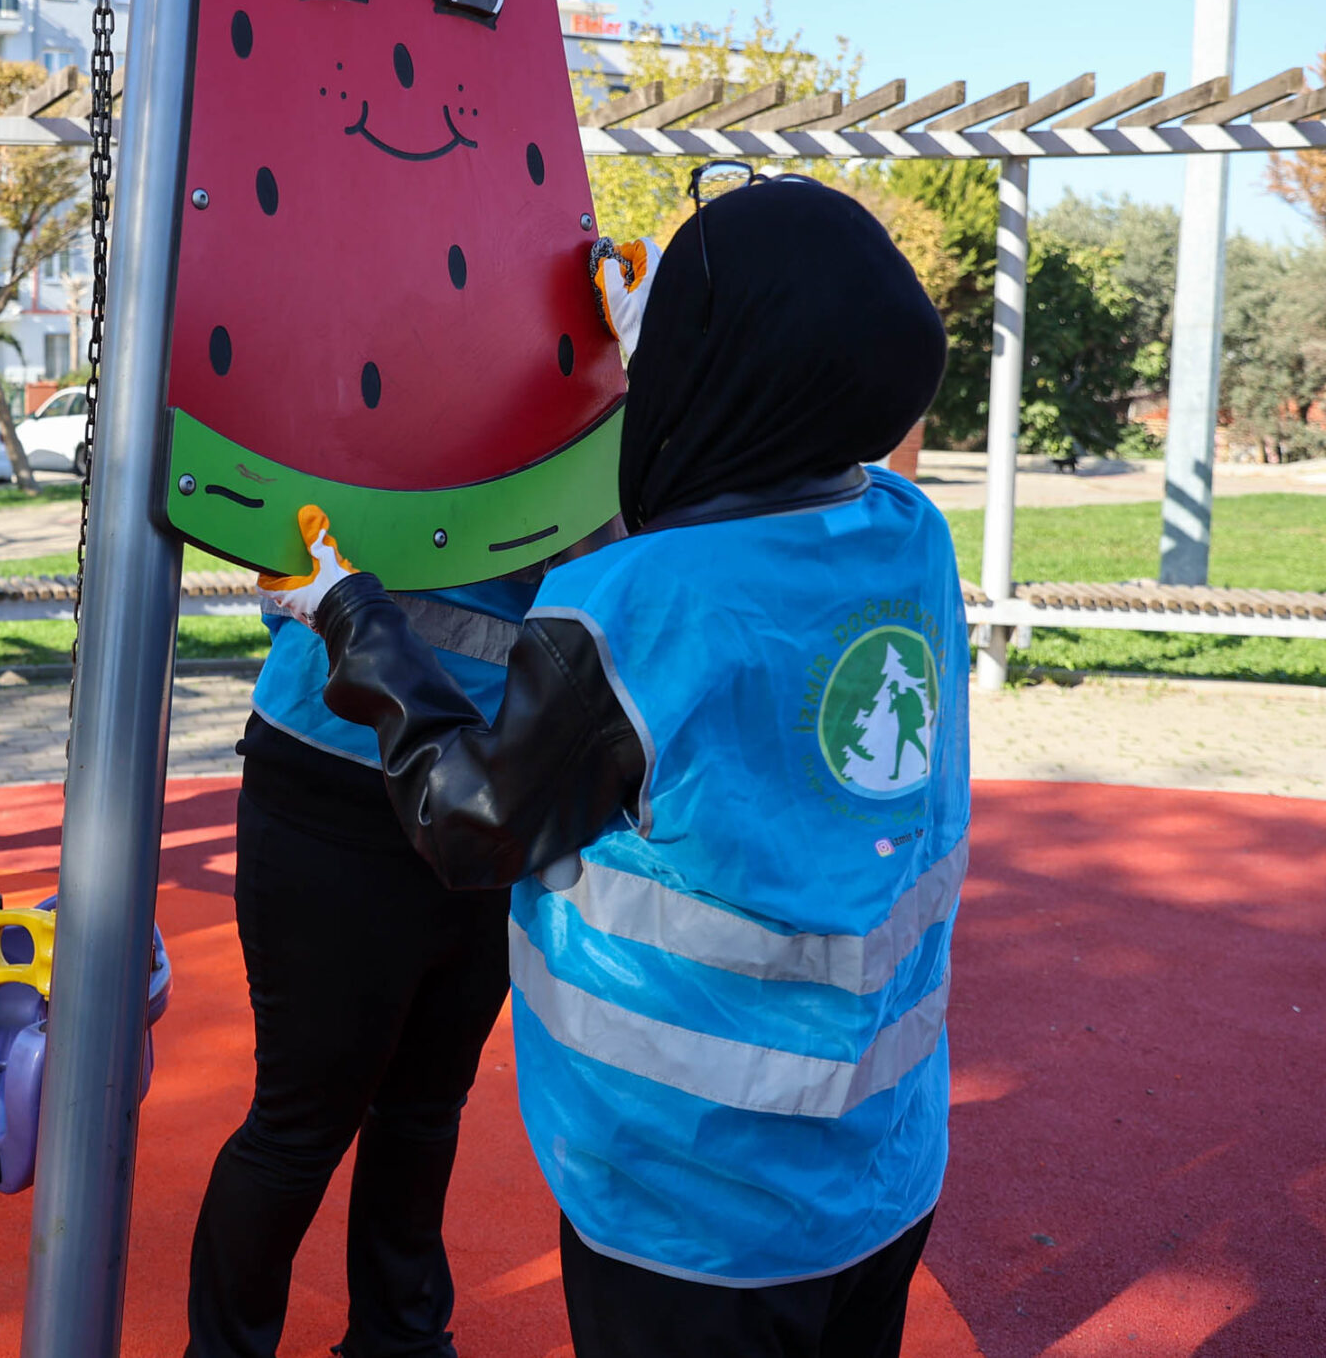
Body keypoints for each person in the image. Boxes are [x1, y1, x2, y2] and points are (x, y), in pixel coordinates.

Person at [262, 176, 964, 1358]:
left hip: (690, 1195)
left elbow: (468, 822)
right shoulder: (908, 532)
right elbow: (772, 459)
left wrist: (348, 619)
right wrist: (661, 355)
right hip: (880, 1165)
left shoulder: (632, 604)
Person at [185, 436, 620, 1351]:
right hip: (336, 774)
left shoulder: (595, 383)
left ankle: (401, 1338)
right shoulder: (373, 335)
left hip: (490, 783)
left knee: (425, 1104)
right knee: (303, 1119)